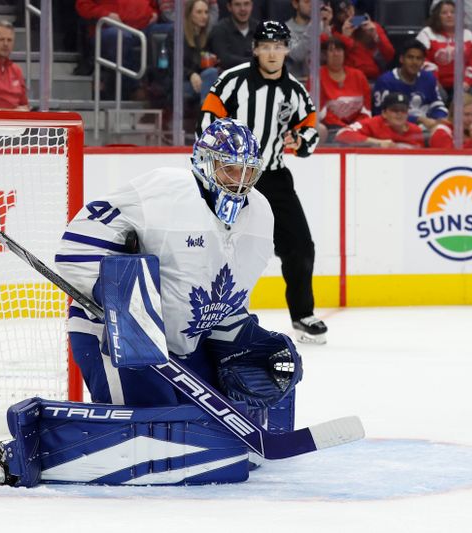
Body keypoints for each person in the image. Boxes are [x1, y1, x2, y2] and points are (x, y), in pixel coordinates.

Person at [55, 117, 301, 432]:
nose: (240, 181)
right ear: (204, 164)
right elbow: (76, 246)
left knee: (213, 429)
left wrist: (242, 339)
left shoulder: (261, 214)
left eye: (248, 170)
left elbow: (227, 298)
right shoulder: (165, 189)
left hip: (183, 346)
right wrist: (122, 300)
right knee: (157, 429)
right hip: (114, 336)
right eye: (229, 168)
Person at [197, 21, 326, 344]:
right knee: (222, 245)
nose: (272, 53)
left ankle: (302, 315)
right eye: (265, 46)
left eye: (278, 46)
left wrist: (300, 139)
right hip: (229, 176)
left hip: (274, 175)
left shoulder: (294, 90)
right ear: (255, 49)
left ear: (286, 49)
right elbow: (207, 121)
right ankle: (213, 313)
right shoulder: (231, 80)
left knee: (300, 246)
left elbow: (310, 129)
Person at [372, 39, 448, 131]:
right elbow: (381, 115)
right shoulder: (386, 81)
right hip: (396, 130)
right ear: (401, 59)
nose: (414, 62)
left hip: (427, 127)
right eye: (410, 57)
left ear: (423, 61)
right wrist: (418, 120)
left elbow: (436, 103)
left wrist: (440, 117)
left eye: (418, 58)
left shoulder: (429, 78)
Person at [416, 0, 472, 102]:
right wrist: (434, 82)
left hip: (462, 84)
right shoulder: (427, 33)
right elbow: (421, 60)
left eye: (453, 12)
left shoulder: (467, 34)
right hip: (436, 83)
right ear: (437, 16)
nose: (449, 15)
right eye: (444, 13)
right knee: (438, 93)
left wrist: (467, 82)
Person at [324, 0, 393, 82]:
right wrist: (345, 38)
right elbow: (334, 62)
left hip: (374, 78)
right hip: (348, 79)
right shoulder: (333, 33)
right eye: (342, 12)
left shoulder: (370, 26)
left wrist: (376, 36)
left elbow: (390, 55)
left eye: (349, 8)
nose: (348, 14)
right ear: (336, 16)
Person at [317, 37, 370, 142]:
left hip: (357, 127)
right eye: (331, 50)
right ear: (325, 54)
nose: (336, 54)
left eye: (339, 50)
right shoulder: (317, 76)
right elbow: (320, 111)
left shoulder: (358, 75)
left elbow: (366, 109)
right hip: (330, 129)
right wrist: (344, 128)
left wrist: (354, 127)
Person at [335, 91, 424, 148]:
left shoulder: (416, 130)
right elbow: (342, 134)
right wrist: (378, 142)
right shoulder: (372, 123)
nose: (399, 113)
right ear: (384, 113)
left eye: (403, 110)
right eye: (394, 110)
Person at [284, 0, 334, 80]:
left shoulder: (321, 26)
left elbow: (329, 59)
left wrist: (325, 26)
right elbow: (297, 55)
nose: (312, 6)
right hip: (297, 82)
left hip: (321, 82)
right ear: (295, 4)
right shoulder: (285, 29)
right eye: (307, 1)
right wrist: (314, 25)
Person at [206, 0, 259, 73]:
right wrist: (255, 61)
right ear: (229, 7)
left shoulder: (259, 28)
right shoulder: (219, 30)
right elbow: (224, 60)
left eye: (246, 4)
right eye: (237, 4)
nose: (242, 9)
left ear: (252, 6)